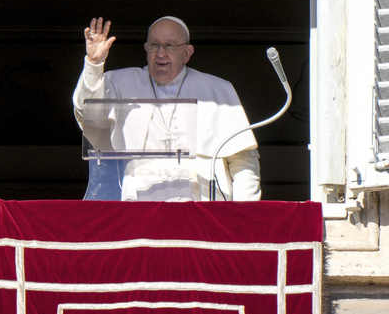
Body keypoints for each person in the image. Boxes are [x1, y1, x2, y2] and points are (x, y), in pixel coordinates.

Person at [73, 16, 261, 201]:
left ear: (187, 53)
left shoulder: (217, 89)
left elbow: (243, 162)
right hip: (140, 205)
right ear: (146, 49)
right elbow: (88, 114)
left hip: (204, 206)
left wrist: (243, 212)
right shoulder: (119, 83)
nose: (160, 53)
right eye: (154, 45)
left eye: (169, 46)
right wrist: (94, 64)